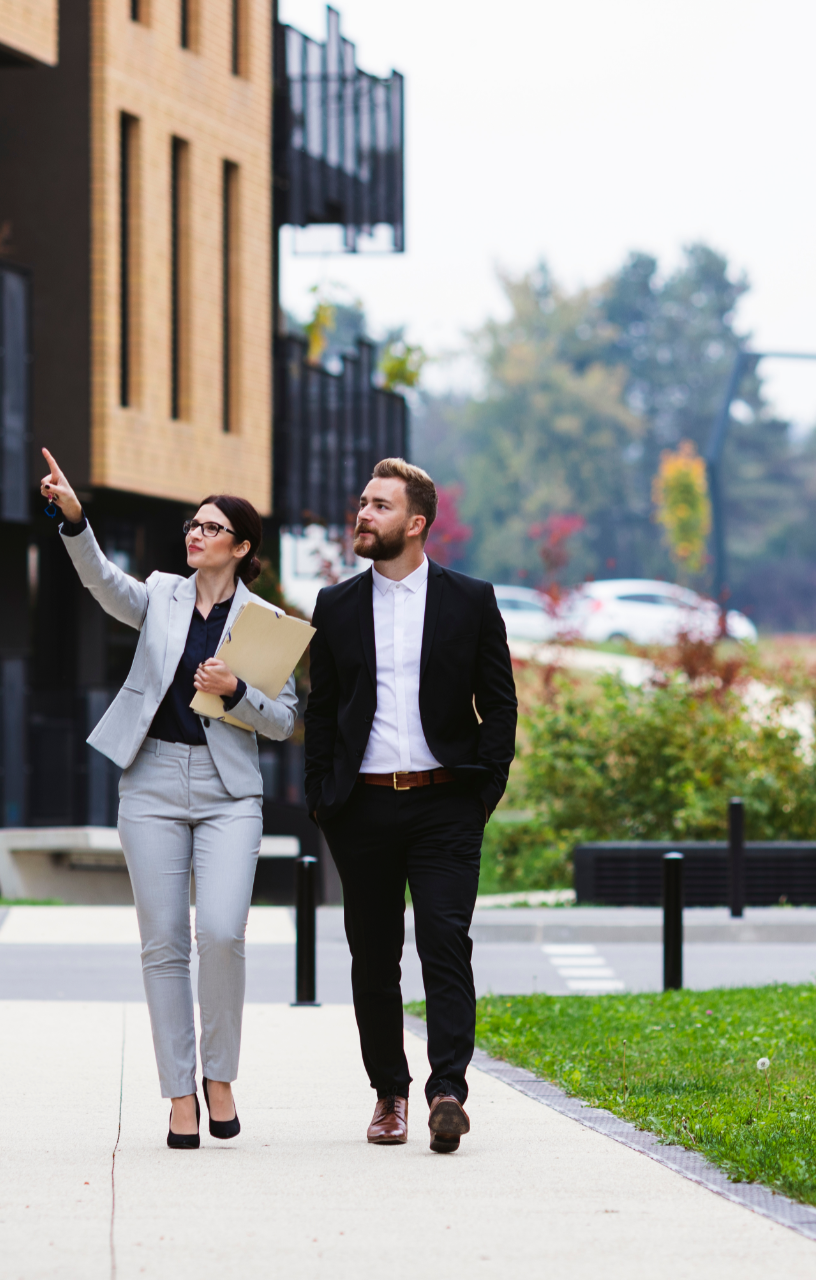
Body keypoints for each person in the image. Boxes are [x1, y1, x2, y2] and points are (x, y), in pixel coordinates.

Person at [38, 447, 302, 1150]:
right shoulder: (160, 594)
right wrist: (74, 519)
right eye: (193, 524)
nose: (196, 533)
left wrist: (237, 692)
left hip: (228, 793)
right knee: (162, 947)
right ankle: (181, 1094)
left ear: (242, 548)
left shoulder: (268, 623)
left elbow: (284, 721)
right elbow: (101, 582)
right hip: (150, 780)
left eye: (213, 528)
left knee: (220, 932)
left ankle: (221, 1076)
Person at [304, 458, 519, 1153]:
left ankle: (447, 1090)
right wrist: (322, 799)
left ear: (416, 523)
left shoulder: (470, 600)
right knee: (373, 957)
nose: (362, 514)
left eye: (379, 506)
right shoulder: (335, 605)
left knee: (444, 944)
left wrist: (483, 789)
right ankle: (389, 1094)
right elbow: (324, 709)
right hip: (360, 807)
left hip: (445, 804)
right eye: (362, 502)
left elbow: (500, 704)